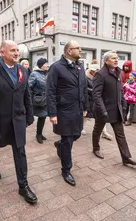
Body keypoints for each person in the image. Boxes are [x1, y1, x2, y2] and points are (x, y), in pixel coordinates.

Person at [0, 40, 37, 204]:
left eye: (18, 50)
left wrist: (29, 114)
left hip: (18, 119)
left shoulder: (22, 70)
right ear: (3, 52)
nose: (17, 53)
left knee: (20, 152)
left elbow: (26, 93)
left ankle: (23, 186)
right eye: (13, 50)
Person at [47, 40, 88, 186]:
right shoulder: (56, 67)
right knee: (68, 139)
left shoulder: (80, 66)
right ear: (69, 51)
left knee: (75, 135)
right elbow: (50, 91)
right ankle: (66, 170)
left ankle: (60, 145)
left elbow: (83, 88)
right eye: (78, 48)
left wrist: (85, 107)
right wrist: (52, 113)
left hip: (77, 109)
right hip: (63, 110)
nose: (80, 50)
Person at [92, 50, 136, 166]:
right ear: (106, 61)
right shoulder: (100, 74)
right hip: (103, 110)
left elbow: (120, 91)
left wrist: (124, 105)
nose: (116, 60)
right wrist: (103, 110)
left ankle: (126, 158)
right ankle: (96, 148)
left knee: (120, 134)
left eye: (117, 58)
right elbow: (96, 94)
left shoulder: (118, 72)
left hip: (116, 110)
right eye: (113, 58)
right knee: (98, 130)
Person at [82, 63, 113, 140]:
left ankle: (104, 132)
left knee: (101, 116)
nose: (95, 72)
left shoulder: (99, 77)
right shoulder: (86, 78)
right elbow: (84, 89)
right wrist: (94, 91)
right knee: (85, 116)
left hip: (97, 100)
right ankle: (81, 128)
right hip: (89, 99)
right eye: (94, 70)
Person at [29, 57, 48, 144]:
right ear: (41, 65)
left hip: (45, 99)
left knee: (43, 117)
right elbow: (29, 87)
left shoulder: (46, 74)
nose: (47, 65)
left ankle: (39, 133)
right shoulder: (34, 74)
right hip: (38, 100)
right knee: (41, 116)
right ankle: (38, 135)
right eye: (45, 64)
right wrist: (30, 99)